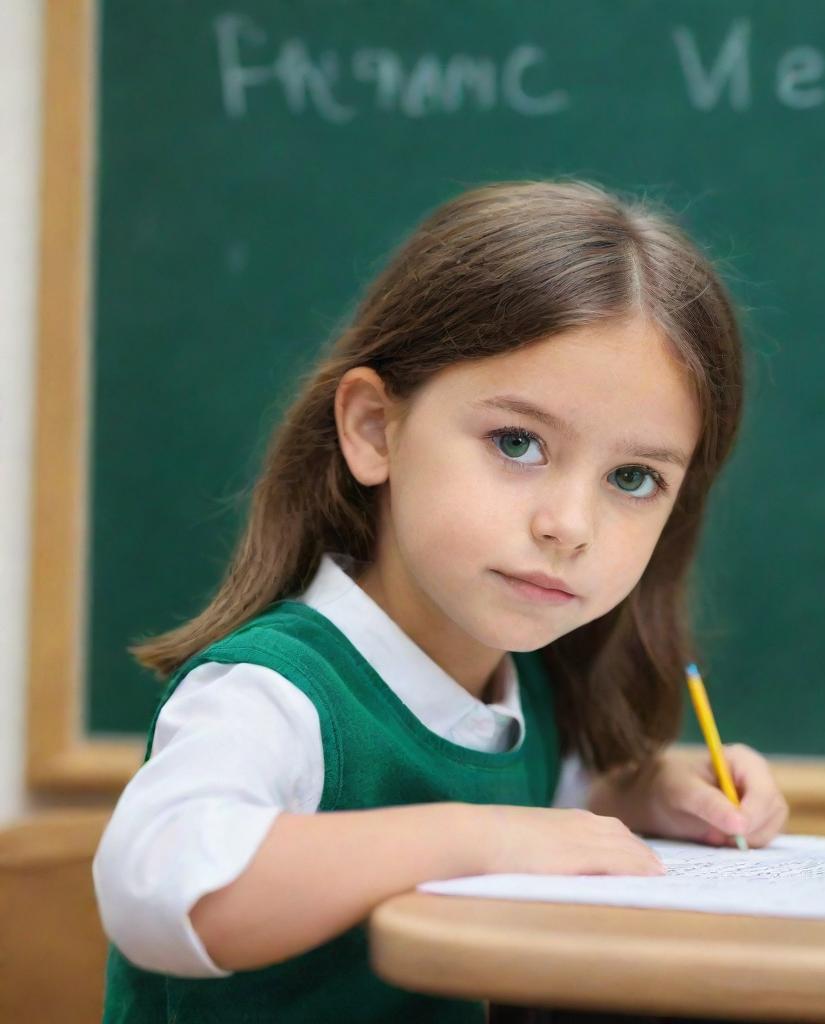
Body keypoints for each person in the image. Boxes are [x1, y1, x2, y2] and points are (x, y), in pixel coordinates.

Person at [92, 178, 789, 1022]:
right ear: (375, 430)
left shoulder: (520, 693)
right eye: (518, 443)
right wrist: (479, 834)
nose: (569, 525)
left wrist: (642, 792)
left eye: (633, 478)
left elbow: (534, 798)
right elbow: (162, 886)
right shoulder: (273, 694)